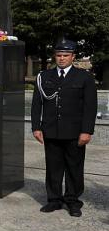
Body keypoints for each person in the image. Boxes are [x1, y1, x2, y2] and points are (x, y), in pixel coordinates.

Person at [31, 40, 97, 217]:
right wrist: (36, 127)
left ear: (73, 57)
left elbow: (90, 107)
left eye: (65, 55)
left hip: (75, 132)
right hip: (51, 130)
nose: (61, 58)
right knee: (53, 167)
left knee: (74, 168)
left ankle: (73, 201)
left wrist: (87, 131)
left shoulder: (84, 77)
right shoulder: (44, 76)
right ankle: (54, 200)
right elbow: (37, 104)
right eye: (58, 55)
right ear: (55, 56)